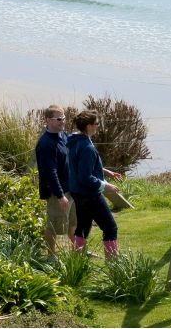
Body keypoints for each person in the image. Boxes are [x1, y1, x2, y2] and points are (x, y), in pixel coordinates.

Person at [67, 110, 122, 259]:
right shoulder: (87, 147)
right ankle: (113, 266)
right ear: (89, 126)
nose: (98, 126)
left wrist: (106, 172)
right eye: (96, 124)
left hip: (77, 192)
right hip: (89, 194)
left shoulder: (74, 141)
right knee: (110, 227)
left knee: (83, 228)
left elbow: (81, 168)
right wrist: (105, 186)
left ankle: (76, 262)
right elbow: (85, 177)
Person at [35, 104, 76, 255]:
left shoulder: (63, 136)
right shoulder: (45, 144)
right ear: (48, 120)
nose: (63, 121)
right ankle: (51, 255)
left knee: (73, 223)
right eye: (59, 119)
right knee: (53, 225)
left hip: (71, 188)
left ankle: (79, 251)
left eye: (64, 118)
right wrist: (60, 196)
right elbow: (49, 172)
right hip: (57, 193)